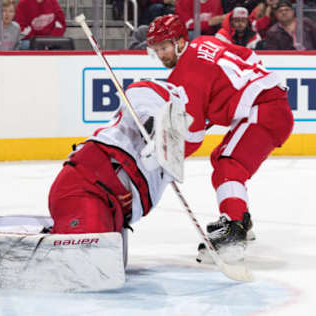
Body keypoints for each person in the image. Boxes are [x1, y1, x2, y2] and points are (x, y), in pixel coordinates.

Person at [146, 14, 294, 255]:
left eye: (164, 47)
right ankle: (240, 220)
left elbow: (193, 137)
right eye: (156, 49)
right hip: (270, 105)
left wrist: (167, 159)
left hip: (264, 111)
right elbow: (249, 56)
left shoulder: (184, 74)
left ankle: (234, 231)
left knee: (229, 164)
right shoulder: (205, 41)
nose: (161, 55)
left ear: (180, 42)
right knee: (221, 159)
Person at [49, 80, 188, 234]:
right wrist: (155, 128)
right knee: (91, 252)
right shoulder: (154, 97)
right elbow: (143, 99)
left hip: (112, 209)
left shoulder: (168, 141)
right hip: (84, 191)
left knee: (104, 254)